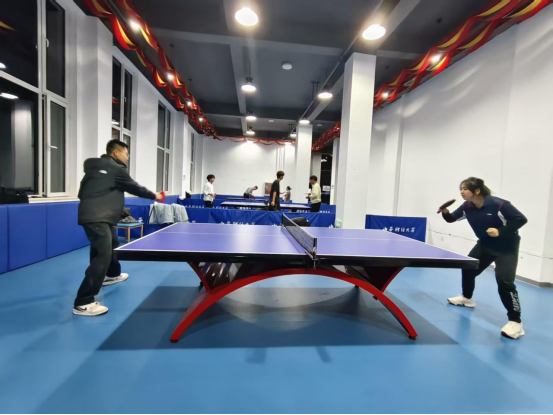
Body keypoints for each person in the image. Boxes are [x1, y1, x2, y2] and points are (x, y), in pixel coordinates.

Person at [75, 139, 163, 316]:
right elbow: (134, 187)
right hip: (99, 218)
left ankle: (112, 274)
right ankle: (83, 302)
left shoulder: (95, 170)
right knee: (102, 255)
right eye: (126, 153)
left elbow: (81, 193)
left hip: (98, 216)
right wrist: (155, 195)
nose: (127, 157)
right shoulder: (116, 168)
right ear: (116, 153)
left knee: (113, 245)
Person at [439, 177, 528, 339]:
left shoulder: (499, 205)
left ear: (477, 190)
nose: (462, 192)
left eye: (465, 189)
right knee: (468, 267)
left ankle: (516, 323)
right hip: (485, 245)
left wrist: (500, 231)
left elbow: (521, 219)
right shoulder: (467, 206)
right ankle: (467, 298)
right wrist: (445, 212)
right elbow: (452, 218)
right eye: (461, 189)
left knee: (505, 283)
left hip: (507, 249)